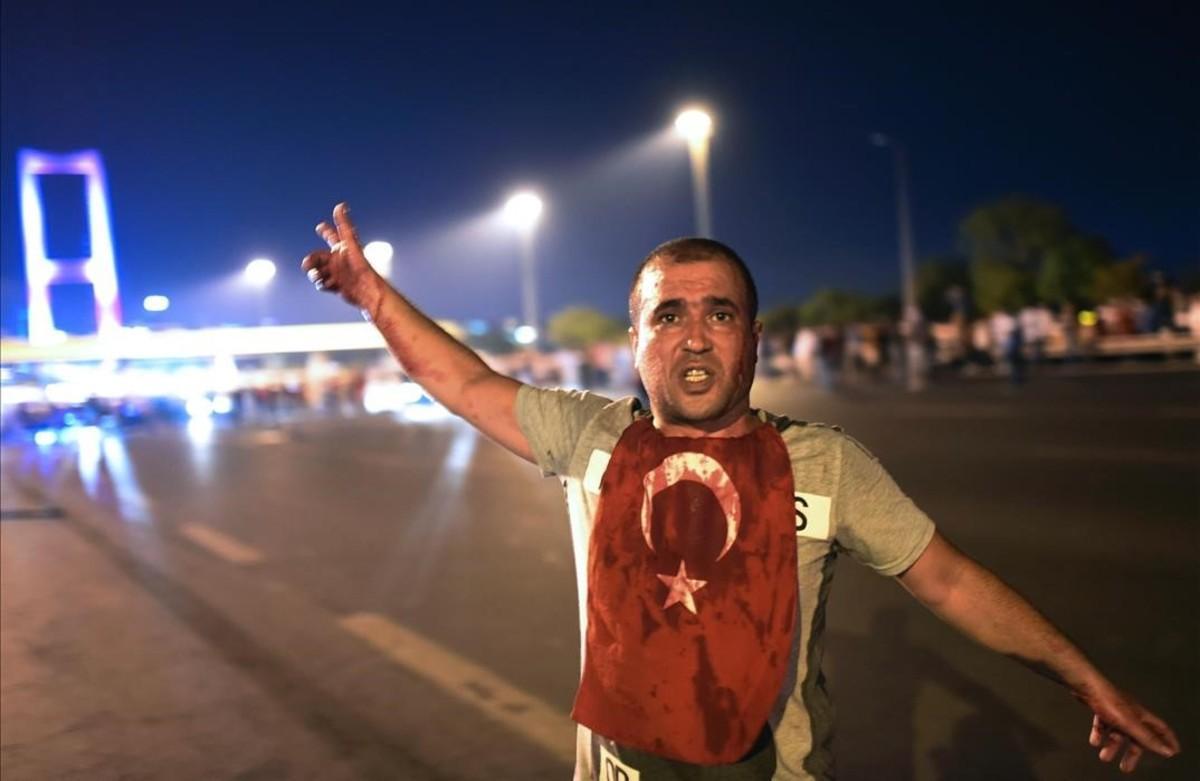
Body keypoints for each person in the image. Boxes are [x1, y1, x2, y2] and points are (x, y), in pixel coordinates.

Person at [301, 203, 1180, 780]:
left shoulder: (826, 462)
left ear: (753, 338)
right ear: (636, 340)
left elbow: (947, 578)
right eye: (668, 315)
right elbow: (464, 383)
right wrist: (374, 296)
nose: (693, 339)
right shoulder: (593, 436)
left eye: (718, 313)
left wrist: (1082, 676)